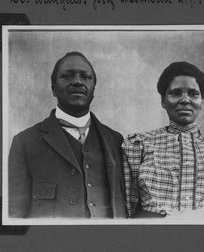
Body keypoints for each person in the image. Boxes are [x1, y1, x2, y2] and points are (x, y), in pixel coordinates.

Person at [122, 61, 204, 220]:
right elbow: (126, 211)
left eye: (193, 93)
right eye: (175, 93)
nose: (185, 100)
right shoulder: (138, 145)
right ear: (163, 100)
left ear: (202, 100)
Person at [8, 51, 126, 218]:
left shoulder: (116, 141)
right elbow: (14, 217)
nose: (78, 81)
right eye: (67, 76)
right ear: (54, 89)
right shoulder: (25, 142)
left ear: (93, 89)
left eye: (86, 77)